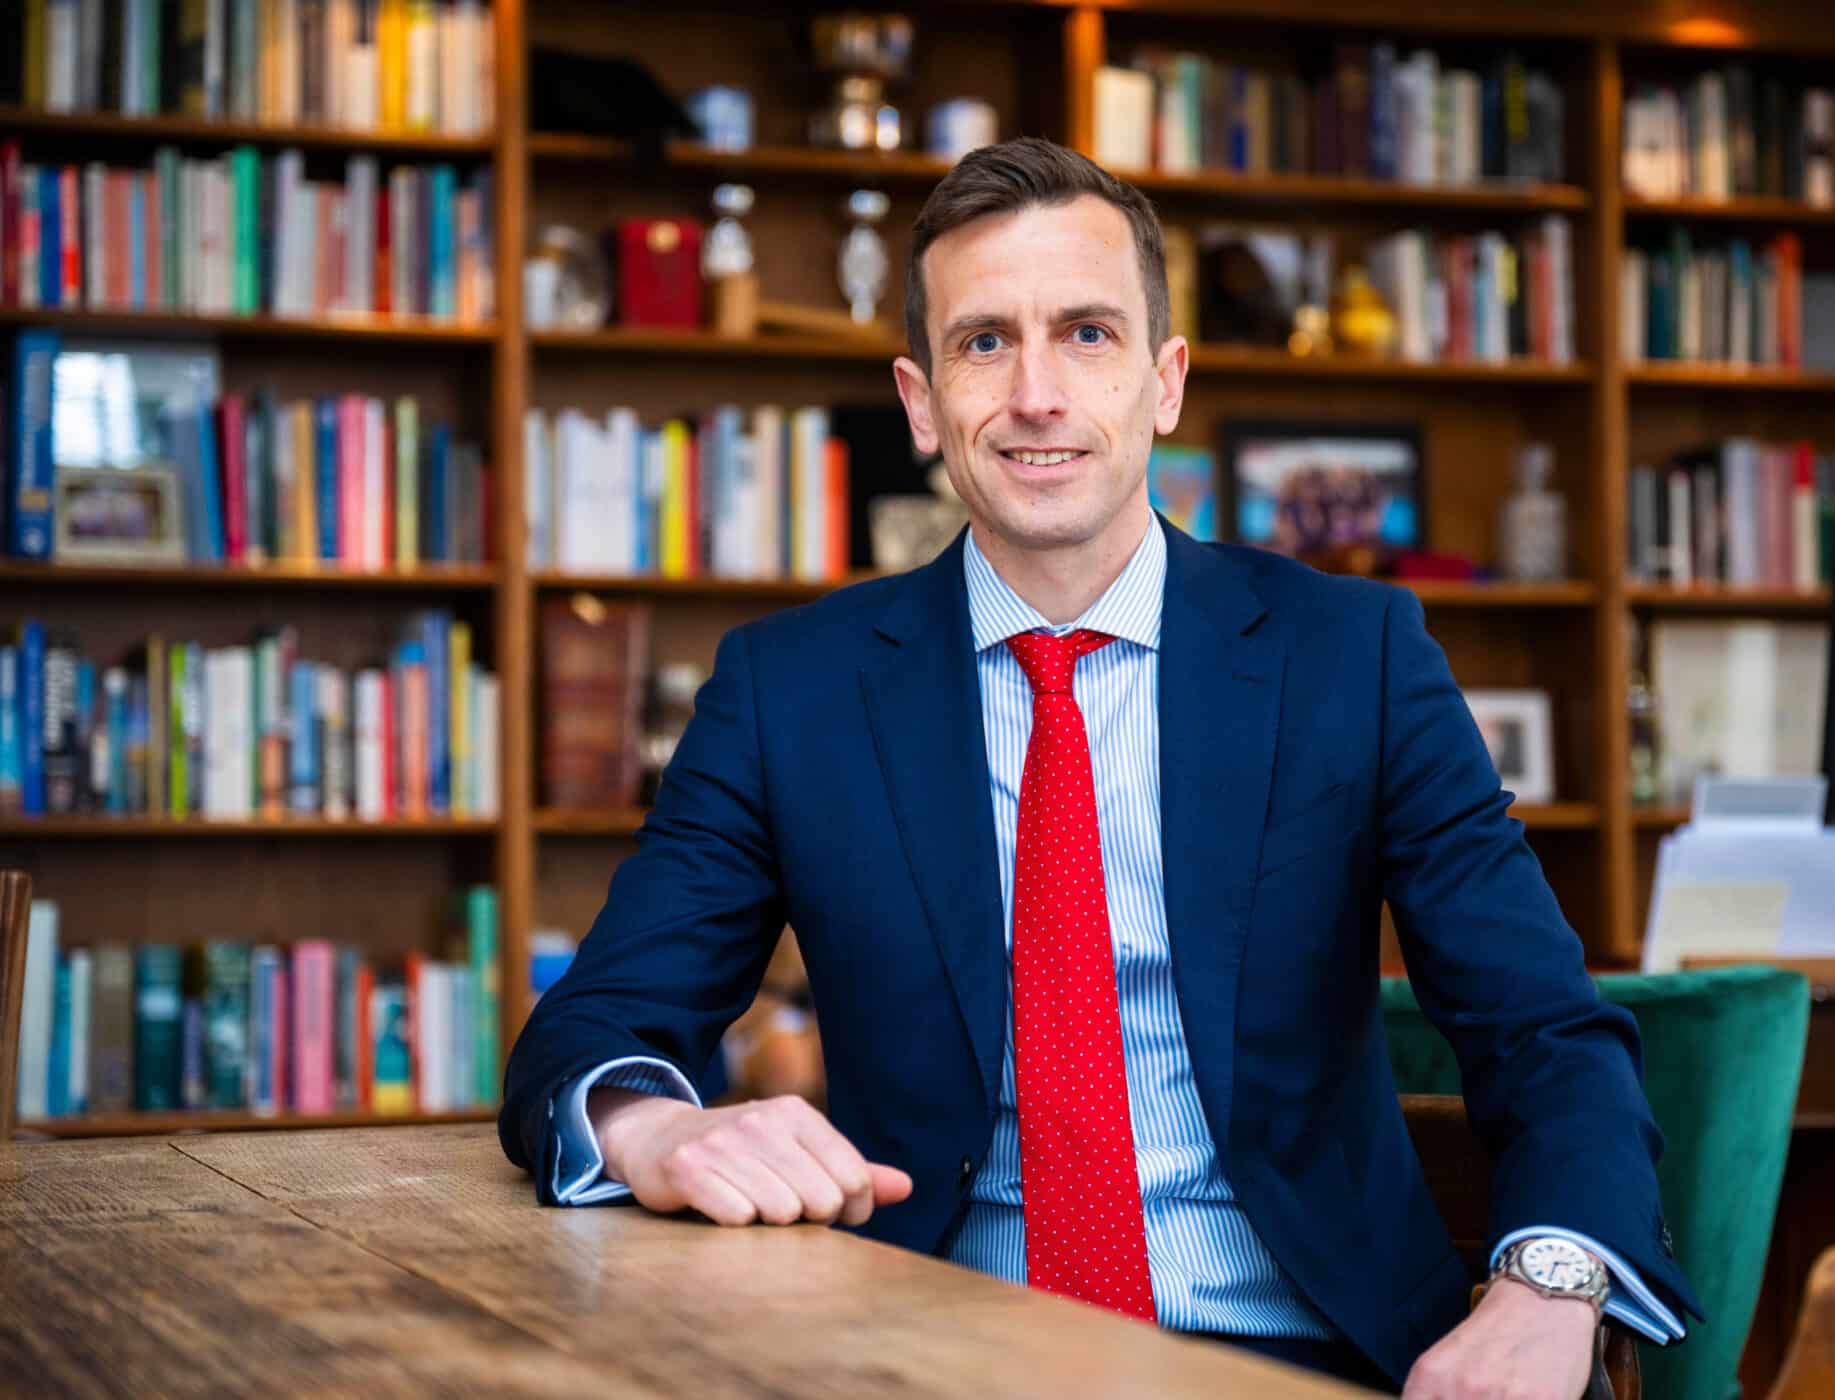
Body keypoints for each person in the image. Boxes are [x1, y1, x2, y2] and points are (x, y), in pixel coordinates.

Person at [500, 137, 1699, 1397]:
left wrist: (1549, 1283)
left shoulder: (1353, 658)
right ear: (920, 402)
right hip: (917, 1351)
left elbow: (1544, 1032)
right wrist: (655, 1124)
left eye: (1086, 333)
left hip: (1301, 1352)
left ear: (1164, 379)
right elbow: (595, 1022)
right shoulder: (788, 690)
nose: (1035, 393)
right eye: (982, 343)